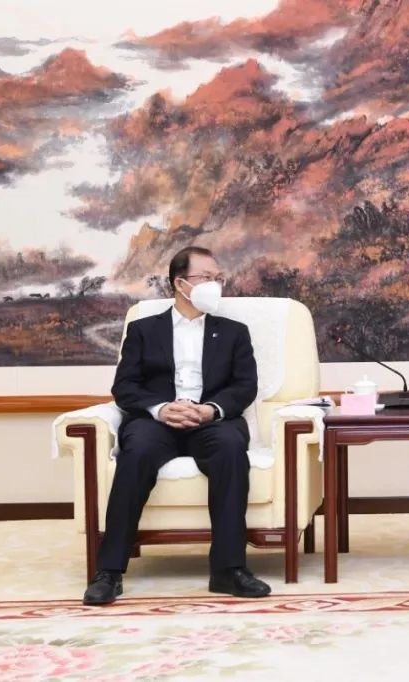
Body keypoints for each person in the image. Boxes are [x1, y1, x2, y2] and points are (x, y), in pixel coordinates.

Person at [82, 246, 270, 605]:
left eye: (218, 278)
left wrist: (211, 410)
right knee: (136, 452)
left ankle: (229, 570)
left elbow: (245, 386)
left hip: (211, 421)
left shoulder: (234, 332)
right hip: (157, 422)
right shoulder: (143, 330)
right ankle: (109, 572)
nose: (215, 284)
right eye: (206, 277)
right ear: (181, 283)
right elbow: (125, 387)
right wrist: (160, 409)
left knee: (231, 449)